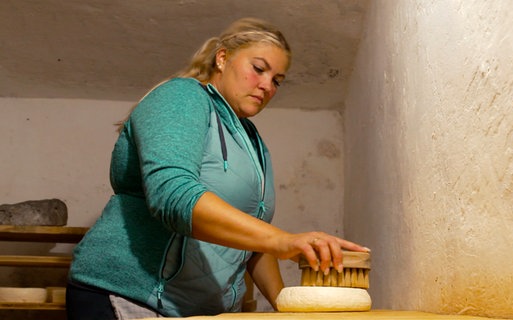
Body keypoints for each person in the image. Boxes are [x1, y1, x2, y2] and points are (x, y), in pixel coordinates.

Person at [66, 17, 369, 319]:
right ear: (222, 58)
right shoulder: (181, 96)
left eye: (277, 80)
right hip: (128, 299)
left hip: (201, 311)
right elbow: (173, 196)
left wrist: (288, 308)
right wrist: (284, 240)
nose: (267, 85)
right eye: (259, 69)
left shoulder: (254, 143)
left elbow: (253, 243)